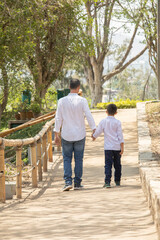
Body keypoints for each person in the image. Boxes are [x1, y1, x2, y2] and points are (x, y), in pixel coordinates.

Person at [54, 79, 96, 191]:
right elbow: (88, 115)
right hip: (79, 134)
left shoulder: (62, 101)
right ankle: (77, 183)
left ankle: (68, 182)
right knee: (79, 159)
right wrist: (94, 129)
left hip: (66, 134)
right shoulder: (82, 101)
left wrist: (56, 133)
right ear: (78, 87)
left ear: (69, 86)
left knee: (66, 159)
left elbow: (58, 118)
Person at [92, 103, 124, 188]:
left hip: (108, 148)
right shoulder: (118, 122)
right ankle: (117, 181)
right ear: (116, 113)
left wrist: (94, 136)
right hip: (117, 147)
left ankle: (107, 182)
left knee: (108, 165)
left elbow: (98, 131)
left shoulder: (103, 121)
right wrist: (122, 147)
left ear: (106, 111)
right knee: (117, 165)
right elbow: (120, 135)